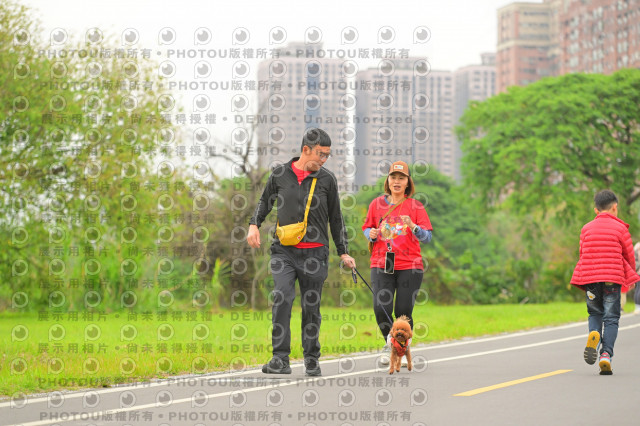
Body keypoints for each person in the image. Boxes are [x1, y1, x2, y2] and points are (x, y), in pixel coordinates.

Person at [247, 128, 356, 377]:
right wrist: (253, 225)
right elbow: (264, 202)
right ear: (305, 149)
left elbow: (336, 218)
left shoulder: (327, 180)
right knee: (282, 298)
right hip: (283, 252)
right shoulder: (280, 174)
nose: (324, 159)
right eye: (320, 154)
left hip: (315, 255)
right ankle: (280, 358)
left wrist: (343, 252)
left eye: (327, 155)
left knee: (311, 307)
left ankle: (311, 358)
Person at [362, 161, 432, 365]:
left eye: (402, 178)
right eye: (393, 177)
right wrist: (370, 233)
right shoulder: (376, 204)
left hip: (410, 265)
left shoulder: (416, 206)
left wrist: (413, 226)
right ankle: (389, 343)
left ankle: (401, 344)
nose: (397, 181)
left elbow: (427, 237)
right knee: (380, 307)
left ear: (408, 182)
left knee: (403, 310)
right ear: (388, 180)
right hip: (381, 263)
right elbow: (367, 227)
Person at [570, 190, 639, 375]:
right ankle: (606, 355)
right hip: (611, 279)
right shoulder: (621, 229)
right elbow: (629, 256)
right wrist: (631, 277)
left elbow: (582, 253)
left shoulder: (586, 229)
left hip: (591, 279)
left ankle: (594, 334)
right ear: (615, 207)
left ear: (596, 210)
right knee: (611, 318)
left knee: (595, 312)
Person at [635, 242, 640, 314]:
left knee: (638, 288)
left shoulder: (637, 246)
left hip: (637, 271)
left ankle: (637, 307)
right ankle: (638, 307)